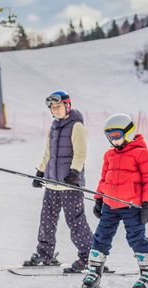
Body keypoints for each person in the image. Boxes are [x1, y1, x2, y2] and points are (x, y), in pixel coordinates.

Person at [80, 113, 148, 288]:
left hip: (132, 206)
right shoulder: (109, 155)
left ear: (128, 133)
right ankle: (94, 273)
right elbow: (104, 179)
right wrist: (99, 199)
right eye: (109, 136)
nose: (112, 140)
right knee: (101, 237)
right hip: (110, 205)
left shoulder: (142, 154)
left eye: (116, 135)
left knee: (136, 238)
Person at [24, 91, 93, 273]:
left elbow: (80, 153)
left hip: (69, 183)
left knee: (75, 220)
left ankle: (89, 256)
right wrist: (40, 172)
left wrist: (74, 173)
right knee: (47, 218)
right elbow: (48, 154)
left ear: (67, 106)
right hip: (52, 183)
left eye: (58, 106)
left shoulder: (77, 126)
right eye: (53, 108)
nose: (55, 110)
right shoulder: (54, 127)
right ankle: (45, 254)